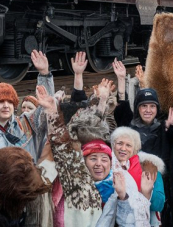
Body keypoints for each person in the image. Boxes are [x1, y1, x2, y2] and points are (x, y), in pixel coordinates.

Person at [36, 81, 149, 226]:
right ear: (82, 162)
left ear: (111, 161)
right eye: (93, 158)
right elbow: (62, 147)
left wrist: (122, 197)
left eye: (104, 159)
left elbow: (130, 222)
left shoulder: (120, 183)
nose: (99, 164)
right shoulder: (77, 181)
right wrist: (52, 112)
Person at [114, 62, 173, 227]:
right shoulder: (130, 129)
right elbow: (121, 113)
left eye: (152, 106)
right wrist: (121, 80)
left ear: (157, 108)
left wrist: (171, 126)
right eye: (143, 106)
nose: (148, 110)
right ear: (138, 109)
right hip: (133, 189)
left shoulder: (164, 127)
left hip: (162, 191)